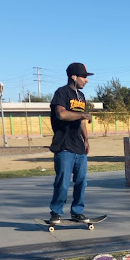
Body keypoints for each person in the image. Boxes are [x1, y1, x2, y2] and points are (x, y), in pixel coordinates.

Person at [49, 62, 94, 223]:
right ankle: (56, 212)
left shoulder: (81, 97)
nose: (86, 80)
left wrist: (86, 140)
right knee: (62, 182)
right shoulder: (61, 93)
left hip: (79, 146)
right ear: (74, 77)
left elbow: (81, 122)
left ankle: (77, 211)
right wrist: (82, 115)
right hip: (64, 145)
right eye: (84, 77)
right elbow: (61, 114)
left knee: (81, 181)